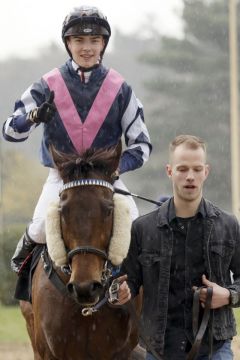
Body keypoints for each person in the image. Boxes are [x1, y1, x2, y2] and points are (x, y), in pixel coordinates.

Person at [2, 5, 152, 274]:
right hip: (61, 177)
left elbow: (141, 146)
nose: (87, 48)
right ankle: (24, 276)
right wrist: (34, 116)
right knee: (38, 229)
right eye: (79, 40)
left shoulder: (120, 88)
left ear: (103, 44)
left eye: (94, 40)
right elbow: (10, 131)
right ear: (68, 43)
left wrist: (116, 169)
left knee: (137, 227)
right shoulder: (47, 83)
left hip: (106, 177)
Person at [117, 135, 240, 359]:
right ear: (170, 171)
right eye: (182, 169)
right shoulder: (142, 229)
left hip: (214, 348)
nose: (190, 176)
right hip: (159, 349)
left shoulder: (229, 225)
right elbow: (129, 282)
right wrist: (120, 291)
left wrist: (228, 295)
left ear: (206, 171)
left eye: (196, 168)